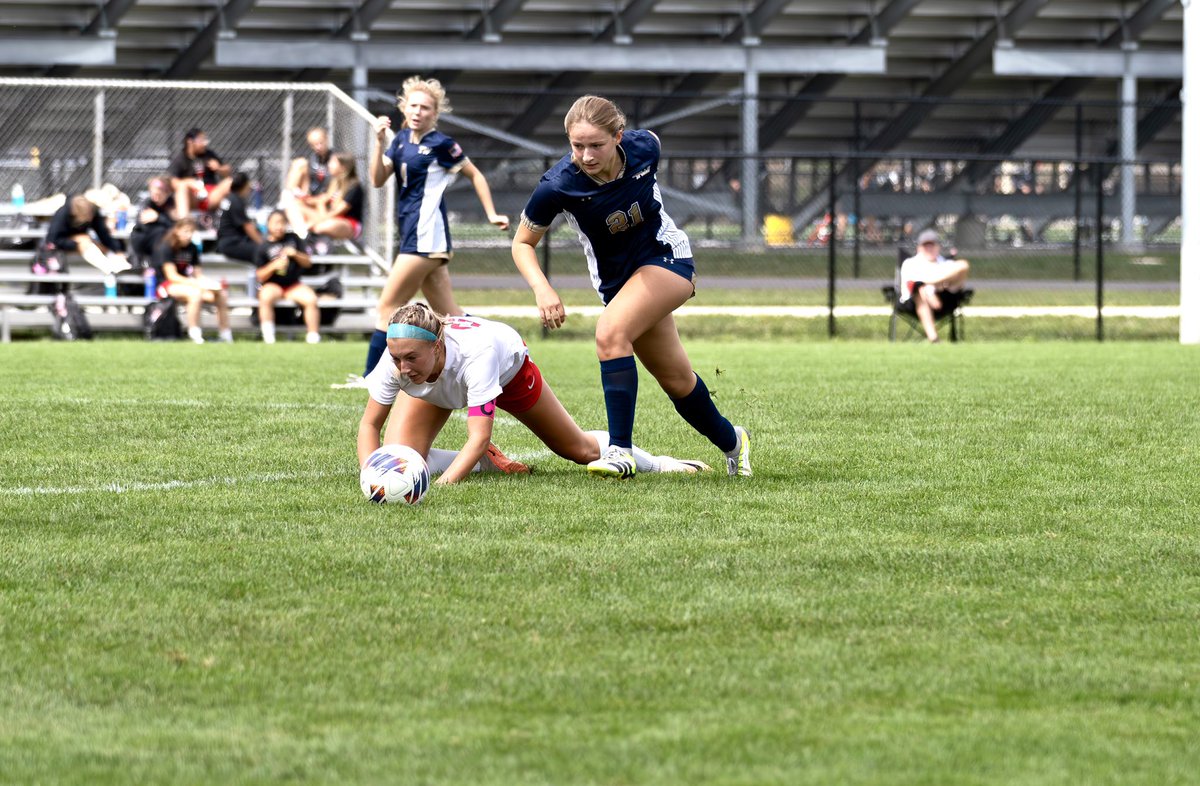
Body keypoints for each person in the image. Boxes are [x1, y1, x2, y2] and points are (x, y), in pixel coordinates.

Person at [510, 95, 752, 480]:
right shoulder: (557, 186)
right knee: (677, 381)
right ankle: (734, 442)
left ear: (619, 137)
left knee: (610, 331)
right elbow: (521, 243)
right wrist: (543, 289)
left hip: (668, 259)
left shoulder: (645, 148)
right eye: (577, 145)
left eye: (596, 145)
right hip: (620, 284)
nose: (586, 155)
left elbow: (651, 138)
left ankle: (620, 451)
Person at [357, 303, 711, 485]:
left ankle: (661, 463)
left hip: (510, 373)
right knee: (397, 456)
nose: (402, 367)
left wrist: (446, 486)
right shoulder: (398, 361)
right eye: (396, 357)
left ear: (436, 345)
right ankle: (485, 465)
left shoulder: (477, 357)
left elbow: (479, 435)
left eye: (410, 358)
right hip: (440, 386)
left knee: (579, 450)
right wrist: (371, 475)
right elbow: (369, 426)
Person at [355, 75, 509, 383]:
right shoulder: (399, 139)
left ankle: (370, 377)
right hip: (413, 234)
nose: (418, 111)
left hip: (427, 237)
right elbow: (376, 179)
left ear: (435, 113)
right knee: (449, 314)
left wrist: (491, 213)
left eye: (425, 107)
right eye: (413, 105)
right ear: (404, 107)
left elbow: (475, 175)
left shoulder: (442, 144)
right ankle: (500, 346)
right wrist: (377, 141)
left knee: (387, 307)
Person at [152, 217, 232, 344]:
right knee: (195, 294)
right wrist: (195, 283)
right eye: (186, 231)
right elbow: (171, 276)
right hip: (167, 286)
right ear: (177, 231)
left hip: (188, 284)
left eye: (191, 232)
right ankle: (195, 333)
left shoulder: (192, 248)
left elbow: (198, 274)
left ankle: (225, 334)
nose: (189, 235)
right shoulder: (166, 247)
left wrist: (212, 285)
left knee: (220, 294)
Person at [253, 210, 321, 345]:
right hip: (273, 285)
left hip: (293, 285)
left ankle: (313, 337)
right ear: (268, 225)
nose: (279, 227)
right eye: (275, 223)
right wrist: (273, 266)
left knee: (311, 299)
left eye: (282, 223)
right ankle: (269, 336)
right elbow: (259, 275)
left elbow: (308, 262)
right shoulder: (263, 246)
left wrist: (295, 254)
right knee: (265, 297)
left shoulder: (294, 239)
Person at [898, 229, 971, 343]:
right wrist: (929, 293)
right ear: (919, 248)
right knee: (919, 292)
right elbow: (912, 285)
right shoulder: (911, 263)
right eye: (925, 245)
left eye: (932, 245)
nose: (929, 248)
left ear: (938, 247)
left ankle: (929, 282)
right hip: (914, 303)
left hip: (944, 300)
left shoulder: (945, 264)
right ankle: (934, 338)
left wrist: (932, 284)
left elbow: (961, 270)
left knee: (963, 265)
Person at [285, 152, 364, 244]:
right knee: (294, 205)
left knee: (324, 226)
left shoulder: (354, 187)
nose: (329, 165)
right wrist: (305, 199)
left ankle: (305, 233)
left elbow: (335, 213)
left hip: (346, 223)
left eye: (333, 162)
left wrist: (317, 212)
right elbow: (320, 200)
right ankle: (302, 235)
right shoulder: (333, 182)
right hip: (326, 217)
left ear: (343, 167)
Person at [44, 194, 130, 274]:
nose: (89, 218)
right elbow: (52, 240)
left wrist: (117, 250)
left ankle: (120, 264)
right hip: (63, 244)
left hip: (85, 240)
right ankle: (110, 269)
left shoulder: (92, 209)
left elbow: (103, 234)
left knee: (94, 243)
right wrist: (76, 243)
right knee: (85, 242)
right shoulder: (63, 213)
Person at [168, 127, 233, 220]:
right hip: (193, 197)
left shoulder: (209, 154)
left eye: (205, 140)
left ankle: (235, 217)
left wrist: (219, 168)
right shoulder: (181, 158)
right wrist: (189, 182)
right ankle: (184, 221)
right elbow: (173, 182)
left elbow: (227, 172)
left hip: (211, 196)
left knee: (230, 182)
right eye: (201, 140)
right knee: (181, 187)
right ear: (190, 141)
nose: (205, 143)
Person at [215, 172, 263, 264]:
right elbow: (248, 227)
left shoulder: (230, 198)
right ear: (244, 185)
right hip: (232, 244)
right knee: (263, 252)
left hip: (226, 242)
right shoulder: (236, 201)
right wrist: (264, 244)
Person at [129, 176, 176, 263]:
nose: (155, 198)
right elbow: (141, 222)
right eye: (153, 194)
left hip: (165, 238)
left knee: (160, 231)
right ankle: (136, 262)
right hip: (148, 235)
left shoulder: (172, 204)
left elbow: (174, 225)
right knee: (136, 233)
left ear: (166, 193)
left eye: (159, 194)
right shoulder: (147, 202)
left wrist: (158, 217)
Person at [285, 126, 332, 199]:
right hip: (310, 194)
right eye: (314, 144)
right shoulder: (311, 159)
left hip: (327, 196)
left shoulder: (336, 157)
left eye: (321, 143)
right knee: (299, 163)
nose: (318, 147)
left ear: (327, 139)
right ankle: (289, 196)